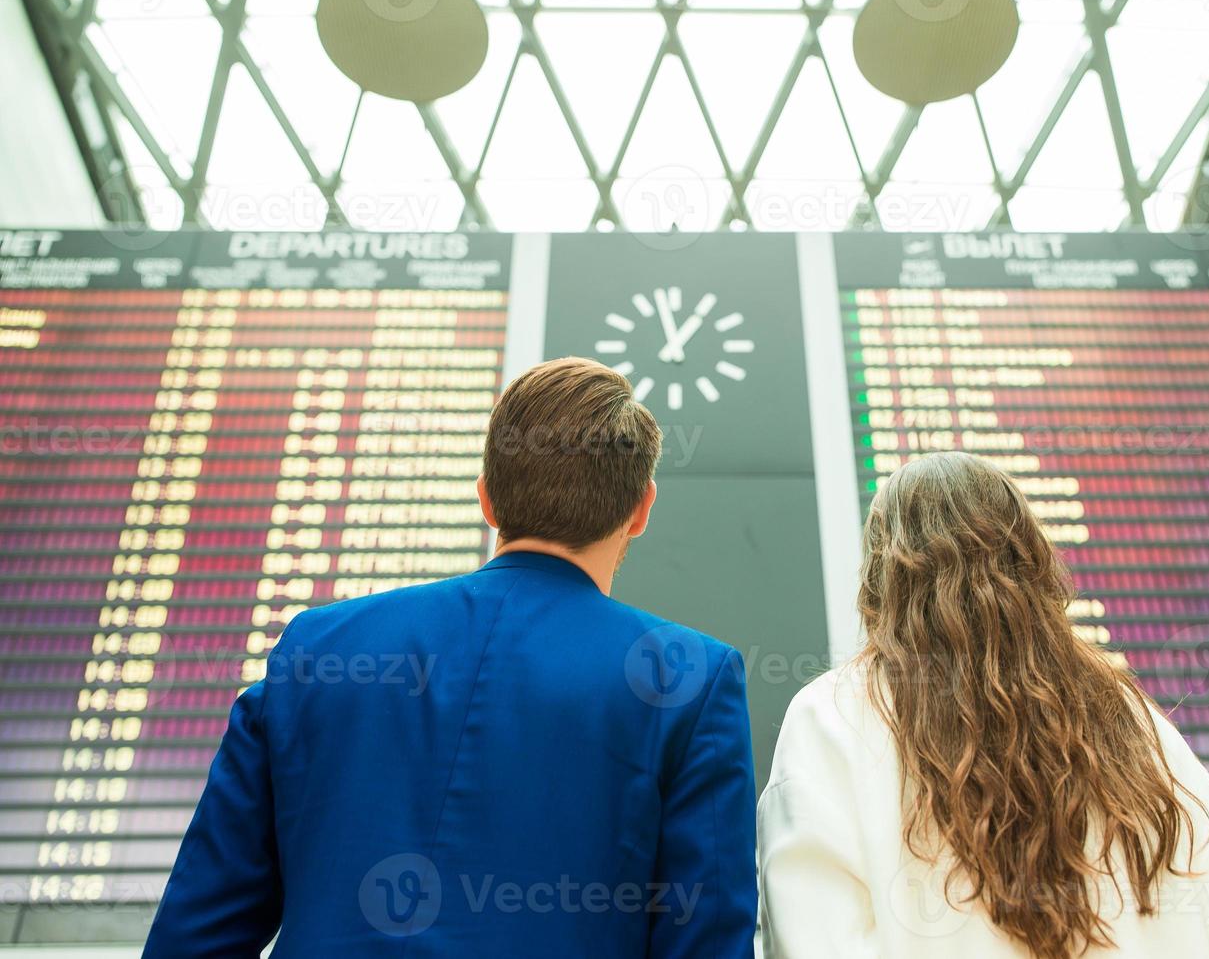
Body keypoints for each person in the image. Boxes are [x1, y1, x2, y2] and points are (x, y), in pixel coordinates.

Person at [143, 357, 757, 957]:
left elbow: (197, 932)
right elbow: (706, 939)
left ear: (486, 500)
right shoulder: (692, 681)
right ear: (641, 509)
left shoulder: (315, 648)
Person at [758, 452, 1209, 959]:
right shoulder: (1130, 715)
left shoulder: (831, 717)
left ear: (879, 576)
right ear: (1032, 556)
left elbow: (811, 936)